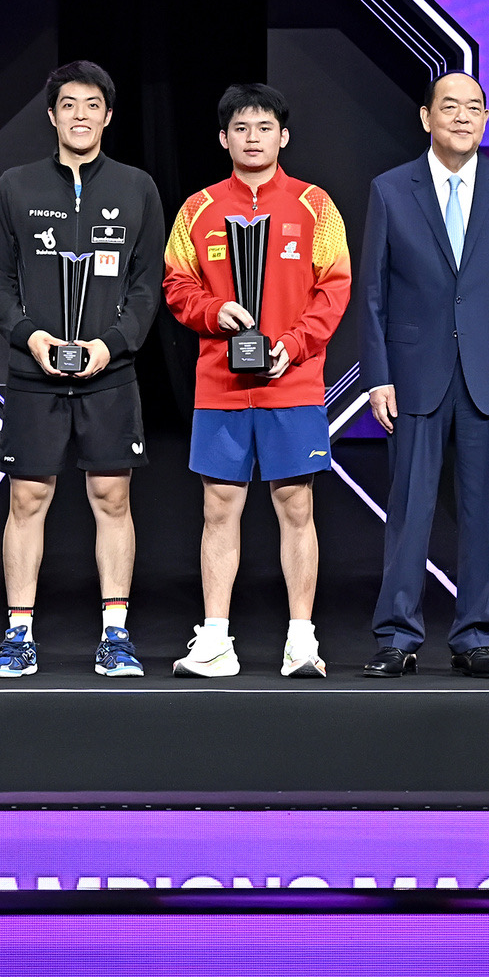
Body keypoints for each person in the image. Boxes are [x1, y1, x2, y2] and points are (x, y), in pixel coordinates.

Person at [0, 61, 166, 677]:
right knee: (27, 497)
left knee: (112, 496)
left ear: (108, 116)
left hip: (109, 372)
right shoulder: (15, 186)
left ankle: (115, 635)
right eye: (68, 104)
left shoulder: (137, 187)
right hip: (34, 373)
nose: (80, 115)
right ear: (52, 115)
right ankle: (18, 636)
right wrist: (29, 336)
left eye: (92, 105)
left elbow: (148, 284)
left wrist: (113, 344)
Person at [356, 72, 489, 679]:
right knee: (410, 508)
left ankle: (475, 635)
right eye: (450, 106)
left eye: (474, 108)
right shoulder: (391, 189)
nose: (463, 117)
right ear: (426, 117)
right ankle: (397, 635)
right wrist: (378, 376)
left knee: (483, 512)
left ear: (486, 119)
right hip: (415, 372)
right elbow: (373, 294)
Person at [163, 83, 351, 678]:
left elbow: (334, 289)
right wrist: (211, 310)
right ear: (223, 138)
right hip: (220, 384)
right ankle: (216, 639)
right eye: (241, 128)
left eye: (264, 127)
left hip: (292, 383)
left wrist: (291, 346)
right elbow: (176, 285)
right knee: (219, 506)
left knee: (296, 503)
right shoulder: (197, 209)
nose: (253, 138)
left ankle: (302, 640)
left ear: (283, 136)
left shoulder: (315, 206)